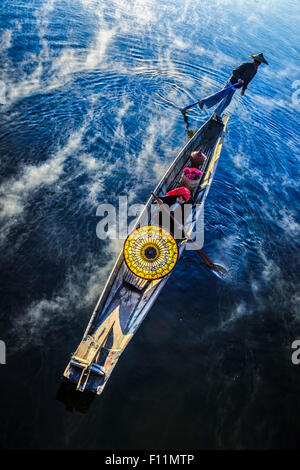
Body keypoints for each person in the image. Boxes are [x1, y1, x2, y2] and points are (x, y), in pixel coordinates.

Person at [199, 53, 269, 123]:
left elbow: (248, 81)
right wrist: (239, 79)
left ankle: (217, 114)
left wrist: (243, 90)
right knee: (220, 96)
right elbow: (235, 71)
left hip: (235, 87)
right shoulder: (246, 65)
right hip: (231, 84)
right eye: (256, 61)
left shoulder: (255, 70)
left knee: (227, 102)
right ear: (254, 60)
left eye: (259, 62)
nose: (257, 63)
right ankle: (203, 102)